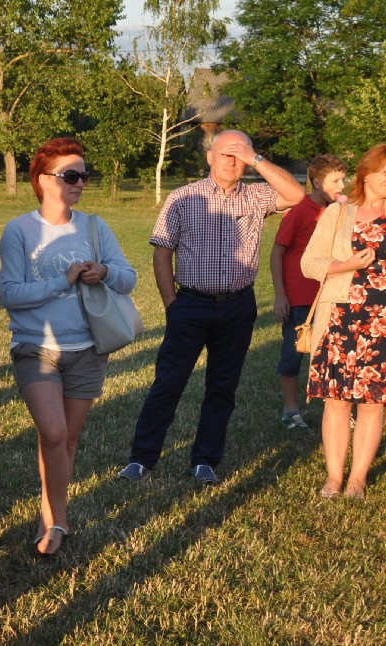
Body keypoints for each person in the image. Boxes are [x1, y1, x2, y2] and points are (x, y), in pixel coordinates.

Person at [118, 129, 305, 483]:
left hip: (238, 306)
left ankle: (205, 460)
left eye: (240, 155)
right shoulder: (183, 197)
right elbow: (162, 252)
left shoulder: (257, 196)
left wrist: (256, 160)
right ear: (209, 157)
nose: (232, 161)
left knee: (222, 387)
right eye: (225, 154)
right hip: (190, 304)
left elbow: (297, 195)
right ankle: (141, 459)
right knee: (168, 383)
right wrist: (172, 304)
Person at [0, 139, 136, 556]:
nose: (80, 183)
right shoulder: (20, 230)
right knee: (53, 432)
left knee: (67, 441)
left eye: (84, 176)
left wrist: (104, 271)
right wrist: (64, 280)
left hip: (88, 348)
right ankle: (57, 518)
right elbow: (9, 293)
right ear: (43, 180)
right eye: (70, 175)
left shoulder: (94, 226)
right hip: (36, 347)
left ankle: (51, 518)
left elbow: (128, 278)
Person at [303, 144, 386, 499]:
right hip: (340, 317)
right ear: (366, 174)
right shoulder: (339, 212)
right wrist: (347, 265)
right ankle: (334, 478)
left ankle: (358, 480)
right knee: (336, 399)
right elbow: (309, 264)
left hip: (381, 322)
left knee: (372, 401)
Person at [272, 154, 349, 431]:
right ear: (317, 182)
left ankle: (338, 410)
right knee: (293, 354)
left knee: (335, 355)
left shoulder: (341, 212)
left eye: (343, 179)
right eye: (335, 181)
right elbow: (276, 253)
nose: (342, 186)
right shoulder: (300, 211)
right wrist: (280, 295)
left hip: (331, 295)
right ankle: (291, 411)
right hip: (300, 300)